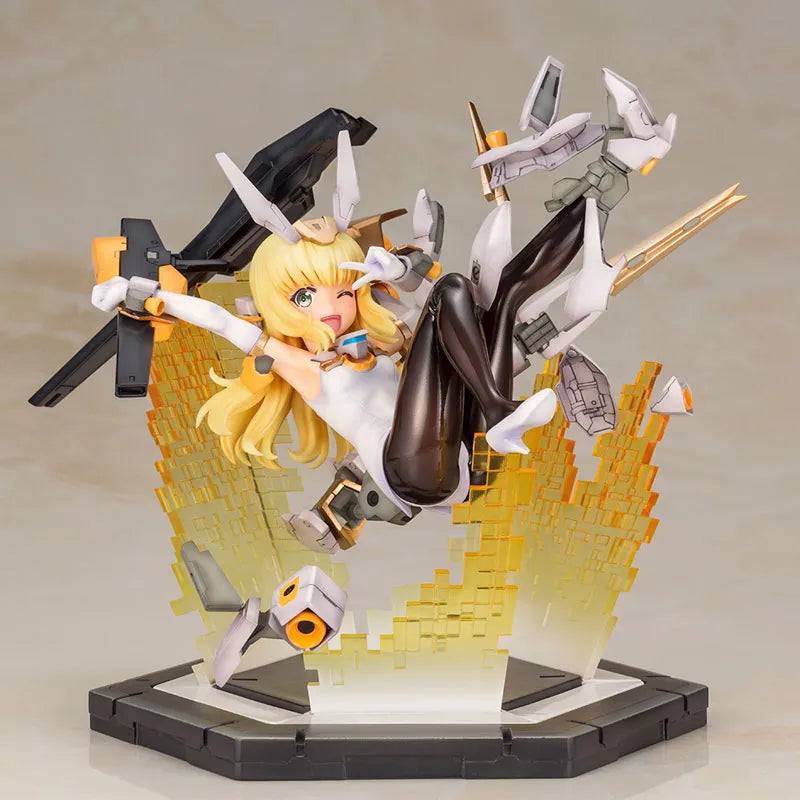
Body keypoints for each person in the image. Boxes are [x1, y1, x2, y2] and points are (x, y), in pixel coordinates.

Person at [92, 137, 586, 518]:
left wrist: (402, 274)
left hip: (468, 461)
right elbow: (221, 321)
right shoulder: (301, 365)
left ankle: (597, 197)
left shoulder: (382, 342)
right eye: (305, 295)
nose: (330, 305)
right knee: (453, 290)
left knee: (502, 295)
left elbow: (440, 342)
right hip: (411, 472)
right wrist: (142, 293)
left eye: (344, 290)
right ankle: (499, 409)